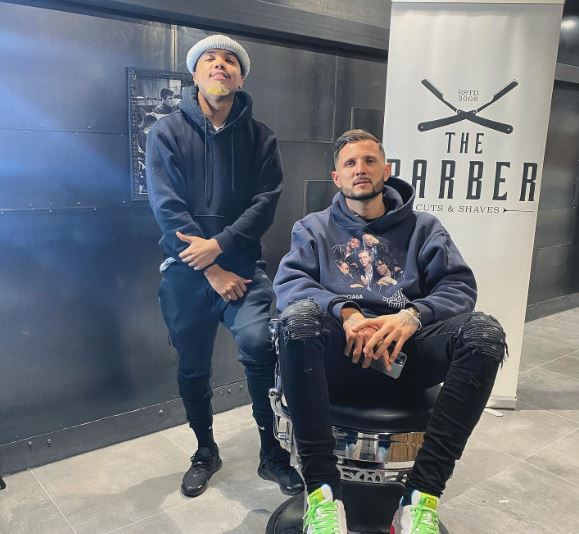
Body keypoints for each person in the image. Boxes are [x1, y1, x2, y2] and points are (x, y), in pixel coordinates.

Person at [273, 129, 506, 533]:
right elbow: (290, 283)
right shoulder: (312, 228)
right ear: (336, 177)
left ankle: (420, 499)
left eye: (369, 161)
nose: (360, 169)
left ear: (387, 170)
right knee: (298, 320)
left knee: (483, 335)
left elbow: (458, 286)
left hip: (407, 355)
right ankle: (323, 497)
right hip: (340, 355)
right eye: (350, 163)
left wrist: (412, 316)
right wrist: (347, 312)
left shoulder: (424, 228)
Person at [146, 34, 302, 499]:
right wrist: (211, 268)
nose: (220, 65)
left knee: (261, 348)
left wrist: (220, 245)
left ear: (240, 78)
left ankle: (272, 455)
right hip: (186, 271)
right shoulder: (165, 132)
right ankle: (205, 451)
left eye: (230, 61)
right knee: (192, 367)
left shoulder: (261, 138)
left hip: (245, 269)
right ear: (194, 75)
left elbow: (266, 203)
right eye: (209, 59)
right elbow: (167, 207)